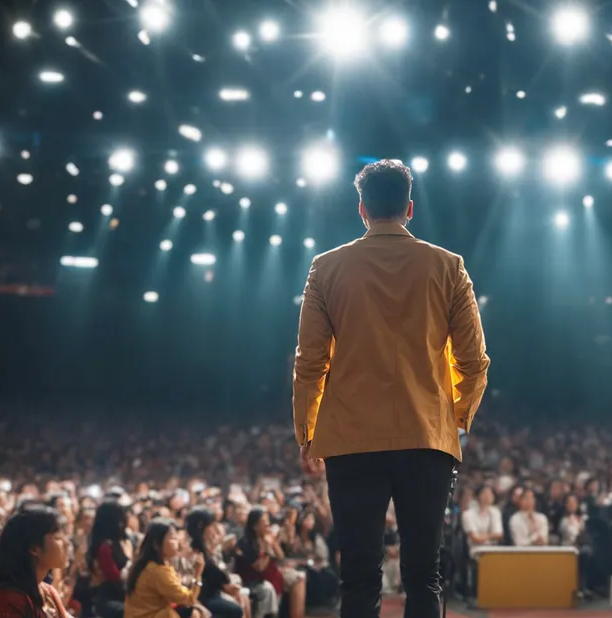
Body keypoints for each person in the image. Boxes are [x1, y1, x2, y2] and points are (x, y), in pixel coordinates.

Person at [292, 159, 490, 618]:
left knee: (359, 577)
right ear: (410, 208)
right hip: (427, 438)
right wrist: (455, 420)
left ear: (361, 209)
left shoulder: (326, 268)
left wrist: (307, 431)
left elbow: (309, 363)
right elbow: (473, 361)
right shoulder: (449, 266)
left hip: (350, 440)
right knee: (424, 576)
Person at [0, 505, 70, 618]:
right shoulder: (10, 601)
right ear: (34, 549)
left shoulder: (47, 592)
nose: (67, 543)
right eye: (58, 538)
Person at [124, 519, 203, 618]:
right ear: (156, 544)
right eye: (172, 538)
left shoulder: (149, 564)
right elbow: (189, 599)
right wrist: (198, 573)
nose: (177, 542)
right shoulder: (158, 571)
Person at [235, 509, 305, 618]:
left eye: (267, 520)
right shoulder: (245, 543)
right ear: (255, 526)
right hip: (254, 579)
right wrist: (267, 548)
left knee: (299, 577)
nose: (268, 524)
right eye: (264, 521)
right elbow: (260, 568)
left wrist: (273, 542)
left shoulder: (268, 537)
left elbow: (281, 557)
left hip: (272, 571)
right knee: (271, 586)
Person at [182, 507, 250, 618]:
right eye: (211, 526)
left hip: (214, 592)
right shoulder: (193, 551)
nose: (214, 530)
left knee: (240, 600)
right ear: (201, 527)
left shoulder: (207, 547)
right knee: (236, 610)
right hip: (201, 596)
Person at [87, 501, 130, 618]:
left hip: (122, 595)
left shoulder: (119, 543)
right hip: (109, 598)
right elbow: (114, 578)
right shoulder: (104, 547)